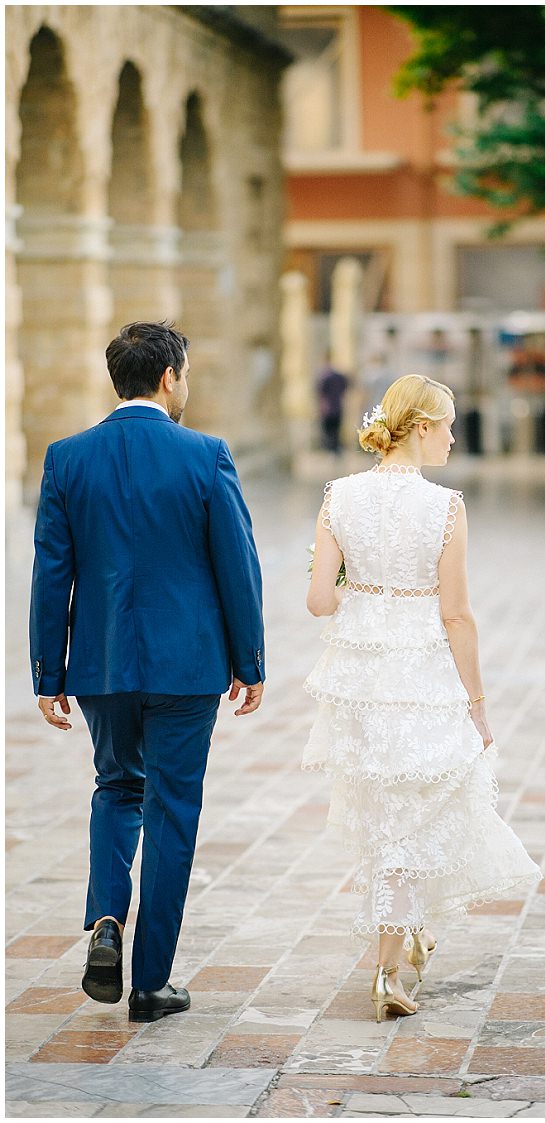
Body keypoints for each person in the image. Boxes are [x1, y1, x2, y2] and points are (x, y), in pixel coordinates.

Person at [29, 321, 266, 1023]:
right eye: (185, 373)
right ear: (169, 376)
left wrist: (49, 671)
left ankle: (107, 918)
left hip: (100, 666)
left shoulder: (67, 458)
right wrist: (248, 659)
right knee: (172, 808)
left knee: (116, 787)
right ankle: (151, 982)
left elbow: (51, 573)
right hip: (188, 666)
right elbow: (238, 565)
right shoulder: (206, 455)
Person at [304, 374, 541, 1021]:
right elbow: (458, 615)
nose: (455, 437)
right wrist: (478, 702)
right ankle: (384, 972)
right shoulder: (446, 508)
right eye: (449, 425)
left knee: (391, 823)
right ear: (420, 428)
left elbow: (319, 599)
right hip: (421, 681)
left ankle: (409, 932)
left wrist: (354, 576)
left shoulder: (339, 497)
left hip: (358, 685)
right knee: (414, 822)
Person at [317, 364, 350, 453]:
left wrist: (322, 407)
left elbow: (321, 394)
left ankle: (331, 450)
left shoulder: (325, 377)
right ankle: (335, 450)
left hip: (329, 408)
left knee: (328, 433)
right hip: (338, 407)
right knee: (336, 432)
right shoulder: (339, 376)